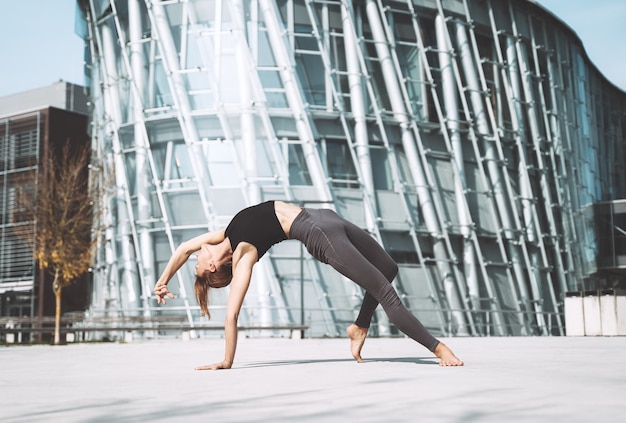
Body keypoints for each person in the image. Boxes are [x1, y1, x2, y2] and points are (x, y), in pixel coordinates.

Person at [154, 200, 463, 369]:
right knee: (385, 293)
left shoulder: (224, 234)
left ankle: (359, 326)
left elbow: (182, 249)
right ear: (212, 266)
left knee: (388, 267)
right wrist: (227, 360)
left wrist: (162, 280)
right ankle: (438, 349)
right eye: (198, 263)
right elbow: (231, 316)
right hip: (319, 236)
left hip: (323, 216)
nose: (195, 255)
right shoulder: (244, 255)